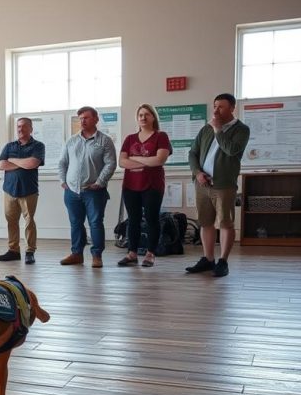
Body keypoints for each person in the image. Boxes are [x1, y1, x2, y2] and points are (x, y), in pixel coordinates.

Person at [186, 93, 250, 278]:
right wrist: (197, 173)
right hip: (202, 184)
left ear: (232, 108)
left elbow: (231, 150)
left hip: (224, 185)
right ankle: (208, 259)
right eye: (214, 106)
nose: (215, 110)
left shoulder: (241, 130)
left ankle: (223, 261)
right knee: (205, 222)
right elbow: (192, 153)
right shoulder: (205, 129)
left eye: (220, 107)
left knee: (225, 223)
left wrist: (218, 130)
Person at [58, 106, 117, 268]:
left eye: (86, 118)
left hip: (94, 191)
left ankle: (97, 255)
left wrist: (100, 182)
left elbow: (111, 164)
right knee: (75, 223)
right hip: (71, 191)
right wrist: (62, 180)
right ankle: (77, 253)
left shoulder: (104, 140)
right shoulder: (71, 141)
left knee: (96, 222)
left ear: (96, 119)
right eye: (81, 118)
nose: (82, 121)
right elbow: (63, 162)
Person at [117, 105, 173, 268]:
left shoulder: (161, 136)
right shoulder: (130, 138)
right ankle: (132, 253)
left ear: (153, 117)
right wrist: (146, 160)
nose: (143, 117)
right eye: (140, 115)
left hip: (152, 185)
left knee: (151, 219)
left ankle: (150, 254)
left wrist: (135, 158)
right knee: (133, 220)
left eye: (147, 114)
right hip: (130, 185)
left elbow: (159, 160)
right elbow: (122, 162)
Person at [0, 117, 45, 265]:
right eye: (18, 127)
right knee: (11, 221)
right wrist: (22, 163)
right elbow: (1, 165)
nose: (20, 129)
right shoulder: (9, 146)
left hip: (28, 190)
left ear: (31, 129)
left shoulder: (38, 146)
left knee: (29, 221)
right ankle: (13, 251)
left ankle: (30, 251)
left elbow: (32, 163)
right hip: (9, 190)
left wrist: (14, 161)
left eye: (24, 127)